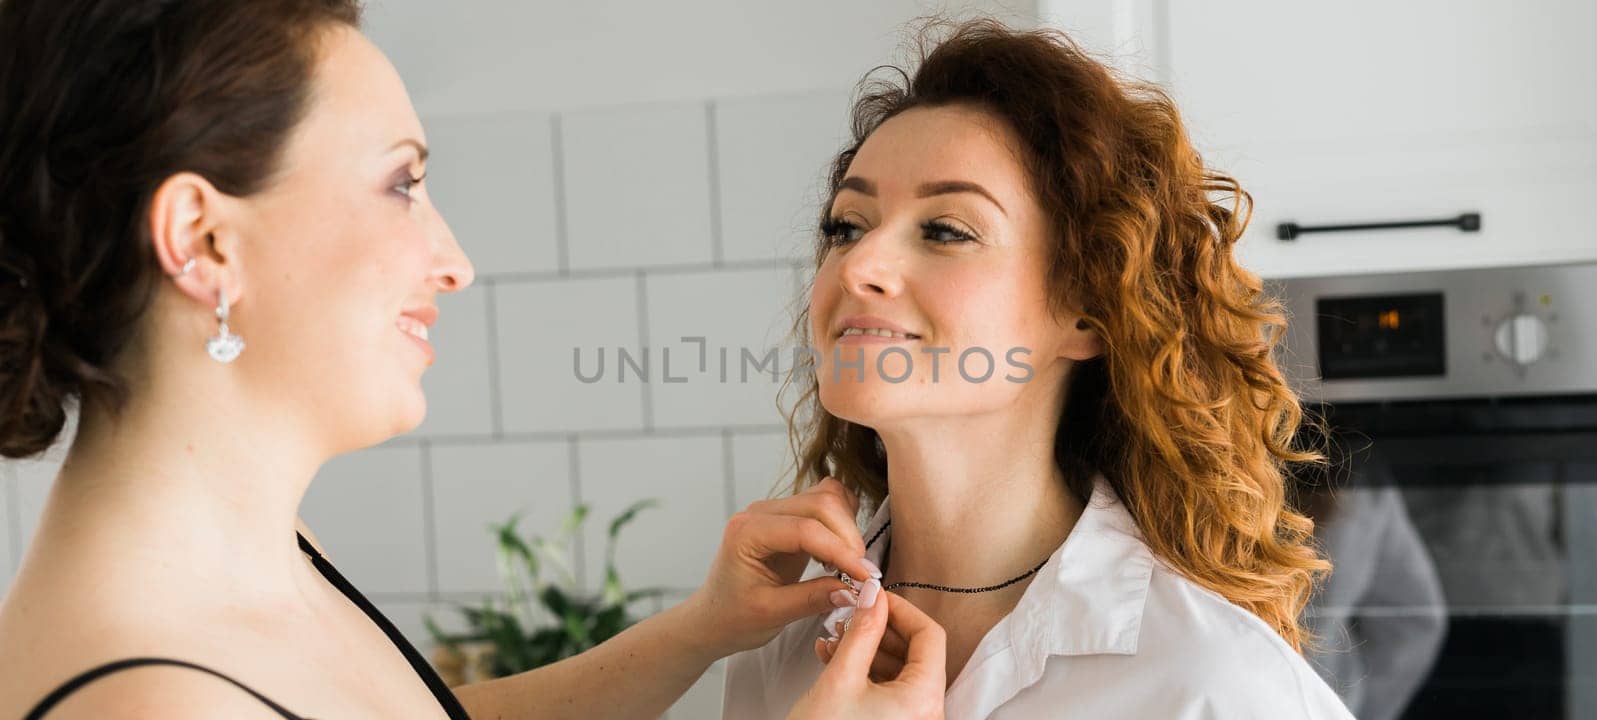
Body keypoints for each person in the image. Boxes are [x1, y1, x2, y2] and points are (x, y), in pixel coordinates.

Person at [0, 1, 946, 717]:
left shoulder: (267, 559)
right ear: (205, 243)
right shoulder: (152, 699)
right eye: (400, 184)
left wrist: (699, 631)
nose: (454, 263)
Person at [723, 18, 1356, 719]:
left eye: (946, 230)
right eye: (847, 226)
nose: (861, 266)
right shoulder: (781, 643)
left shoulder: (1212, 683)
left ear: (1086, 310)